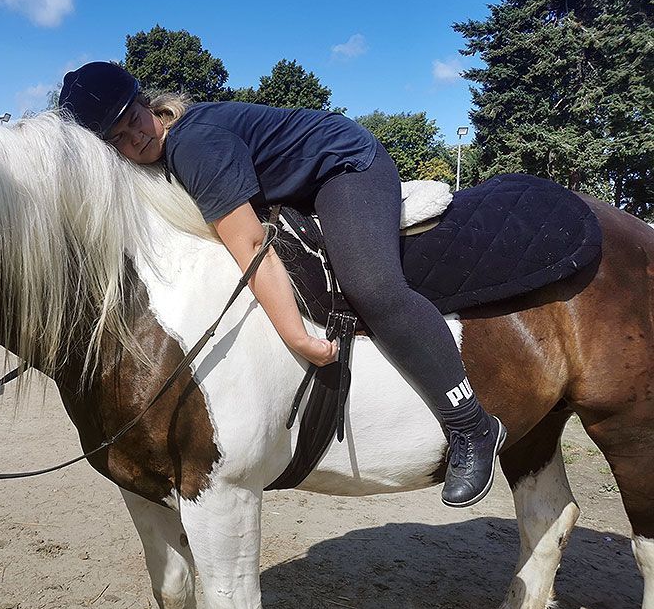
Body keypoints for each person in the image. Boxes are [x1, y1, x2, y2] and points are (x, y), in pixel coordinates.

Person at [58, 61, 506, 507]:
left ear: (144, 103)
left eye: (133, 120)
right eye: (117, 138)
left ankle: (472, 426)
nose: (134, 138)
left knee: (371, 286)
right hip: (297, 184)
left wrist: (297, 337)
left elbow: (253, 244)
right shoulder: (161, 156)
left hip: (345, 166)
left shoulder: (194, 144)